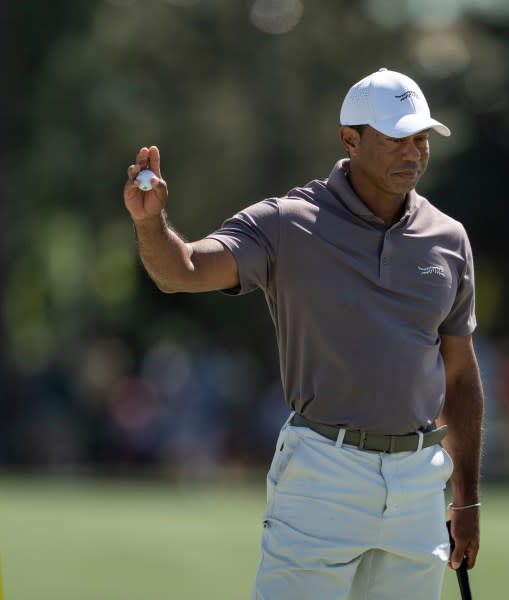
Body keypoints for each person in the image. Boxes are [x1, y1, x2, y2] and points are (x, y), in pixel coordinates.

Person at [123, 68, 485, 599]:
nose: (412, 153)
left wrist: (467, 500)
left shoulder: (447, 239)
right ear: (350, 139)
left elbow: (459, 374)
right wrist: (151, 225)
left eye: (421, 138)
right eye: (394, 139)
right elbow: (183, 272)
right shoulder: (287, 223)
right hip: (323, 472)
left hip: (417, 483)